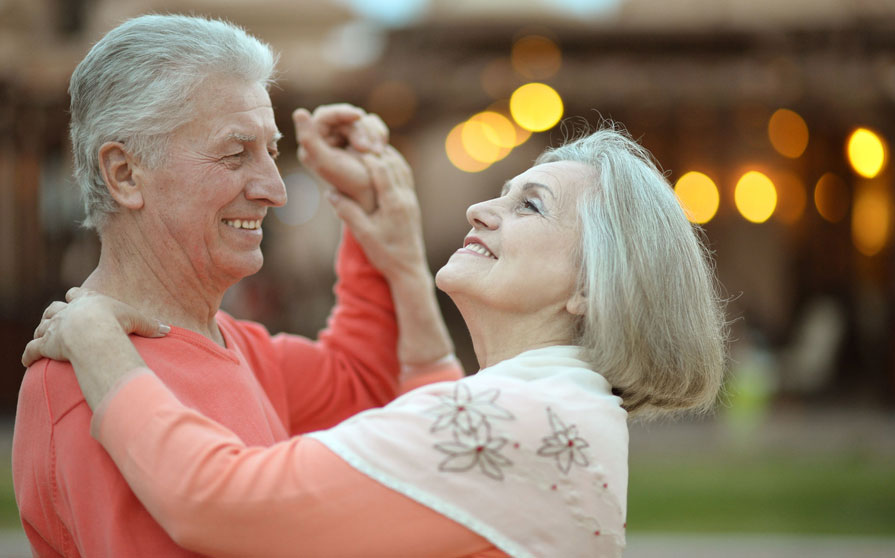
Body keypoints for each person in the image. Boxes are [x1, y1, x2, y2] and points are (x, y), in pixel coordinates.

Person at [25, 126, 728, 557]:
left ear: (590, 288)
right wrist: (392, 251)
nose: (483, 207)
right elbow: (435, 430)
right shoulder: (555, 410)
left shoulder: (512, 424)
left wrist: (98, 341)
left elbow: (214, 498)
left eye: (529, 206)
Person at [12, 14, 459, 557]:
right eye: (235, 153)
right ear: (125, 174)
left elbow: (368, 387)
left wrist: (375, 217)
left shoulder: (231, 341)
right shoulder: (82, 382)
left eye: (270, 151)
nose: (276, 190)